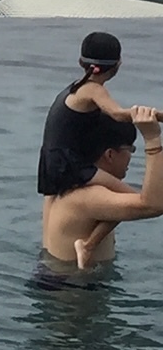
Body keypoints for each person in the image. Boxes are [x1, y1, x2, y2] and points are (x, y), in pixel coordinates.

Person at [37, 32, 135, 267]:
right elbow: (117, 114)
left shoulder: (74, 89)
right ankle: (88, 245)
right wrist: (154, 117)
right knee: (131, 198)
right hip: (69, 163)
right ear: (118, 64)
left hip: (52, 159)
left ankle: (72, 246)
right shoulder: (93, 90)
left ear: (81, 63)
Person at [41, 106, 163, 271]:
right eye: (131, 150)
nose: (131, 157)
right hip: (75, 290)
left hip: (56, 280)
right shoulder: (89, 196)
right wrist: (152, 138)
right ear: (110, 154)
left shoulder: (60, 186)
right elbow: (154, 205)